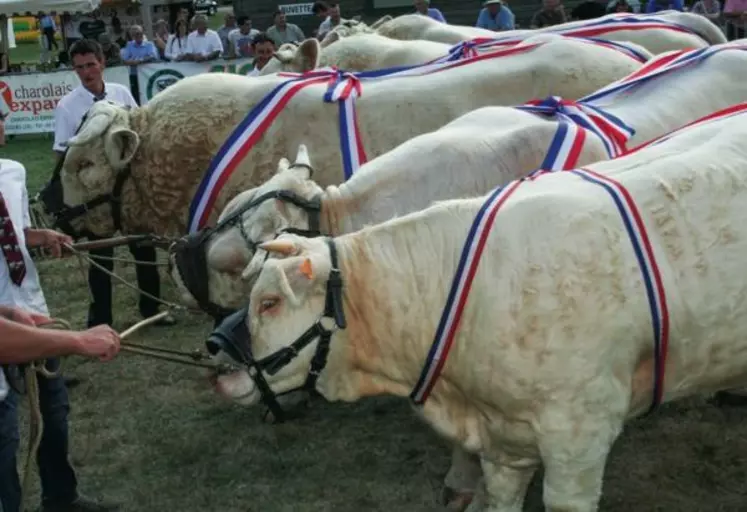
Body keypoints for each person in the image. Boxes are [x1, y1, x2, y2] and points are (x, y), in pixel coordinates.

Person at [0, 157, 120, 512]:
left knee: (53, 410)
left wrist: (42, 237)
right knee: (6, 431)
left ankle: (60, 496)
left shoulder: (13, 171)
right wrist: (79, 341)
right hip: (11, 327)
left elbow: (17, 233)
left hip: (28, 307)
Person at [52, 39, 176, 330]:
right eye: (80, 67)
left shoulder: (121, 93)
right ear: (74, 70)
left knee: (142, 247)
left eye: (91, 65)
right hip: (95, 195)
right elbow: (61, 153)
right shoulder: (67, 106)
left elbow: (138, 131)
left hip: (129, 188)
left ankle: (152, 310)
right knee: (101, 256)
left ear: (102, 63)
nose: (87, 72)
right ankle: (102, 320)